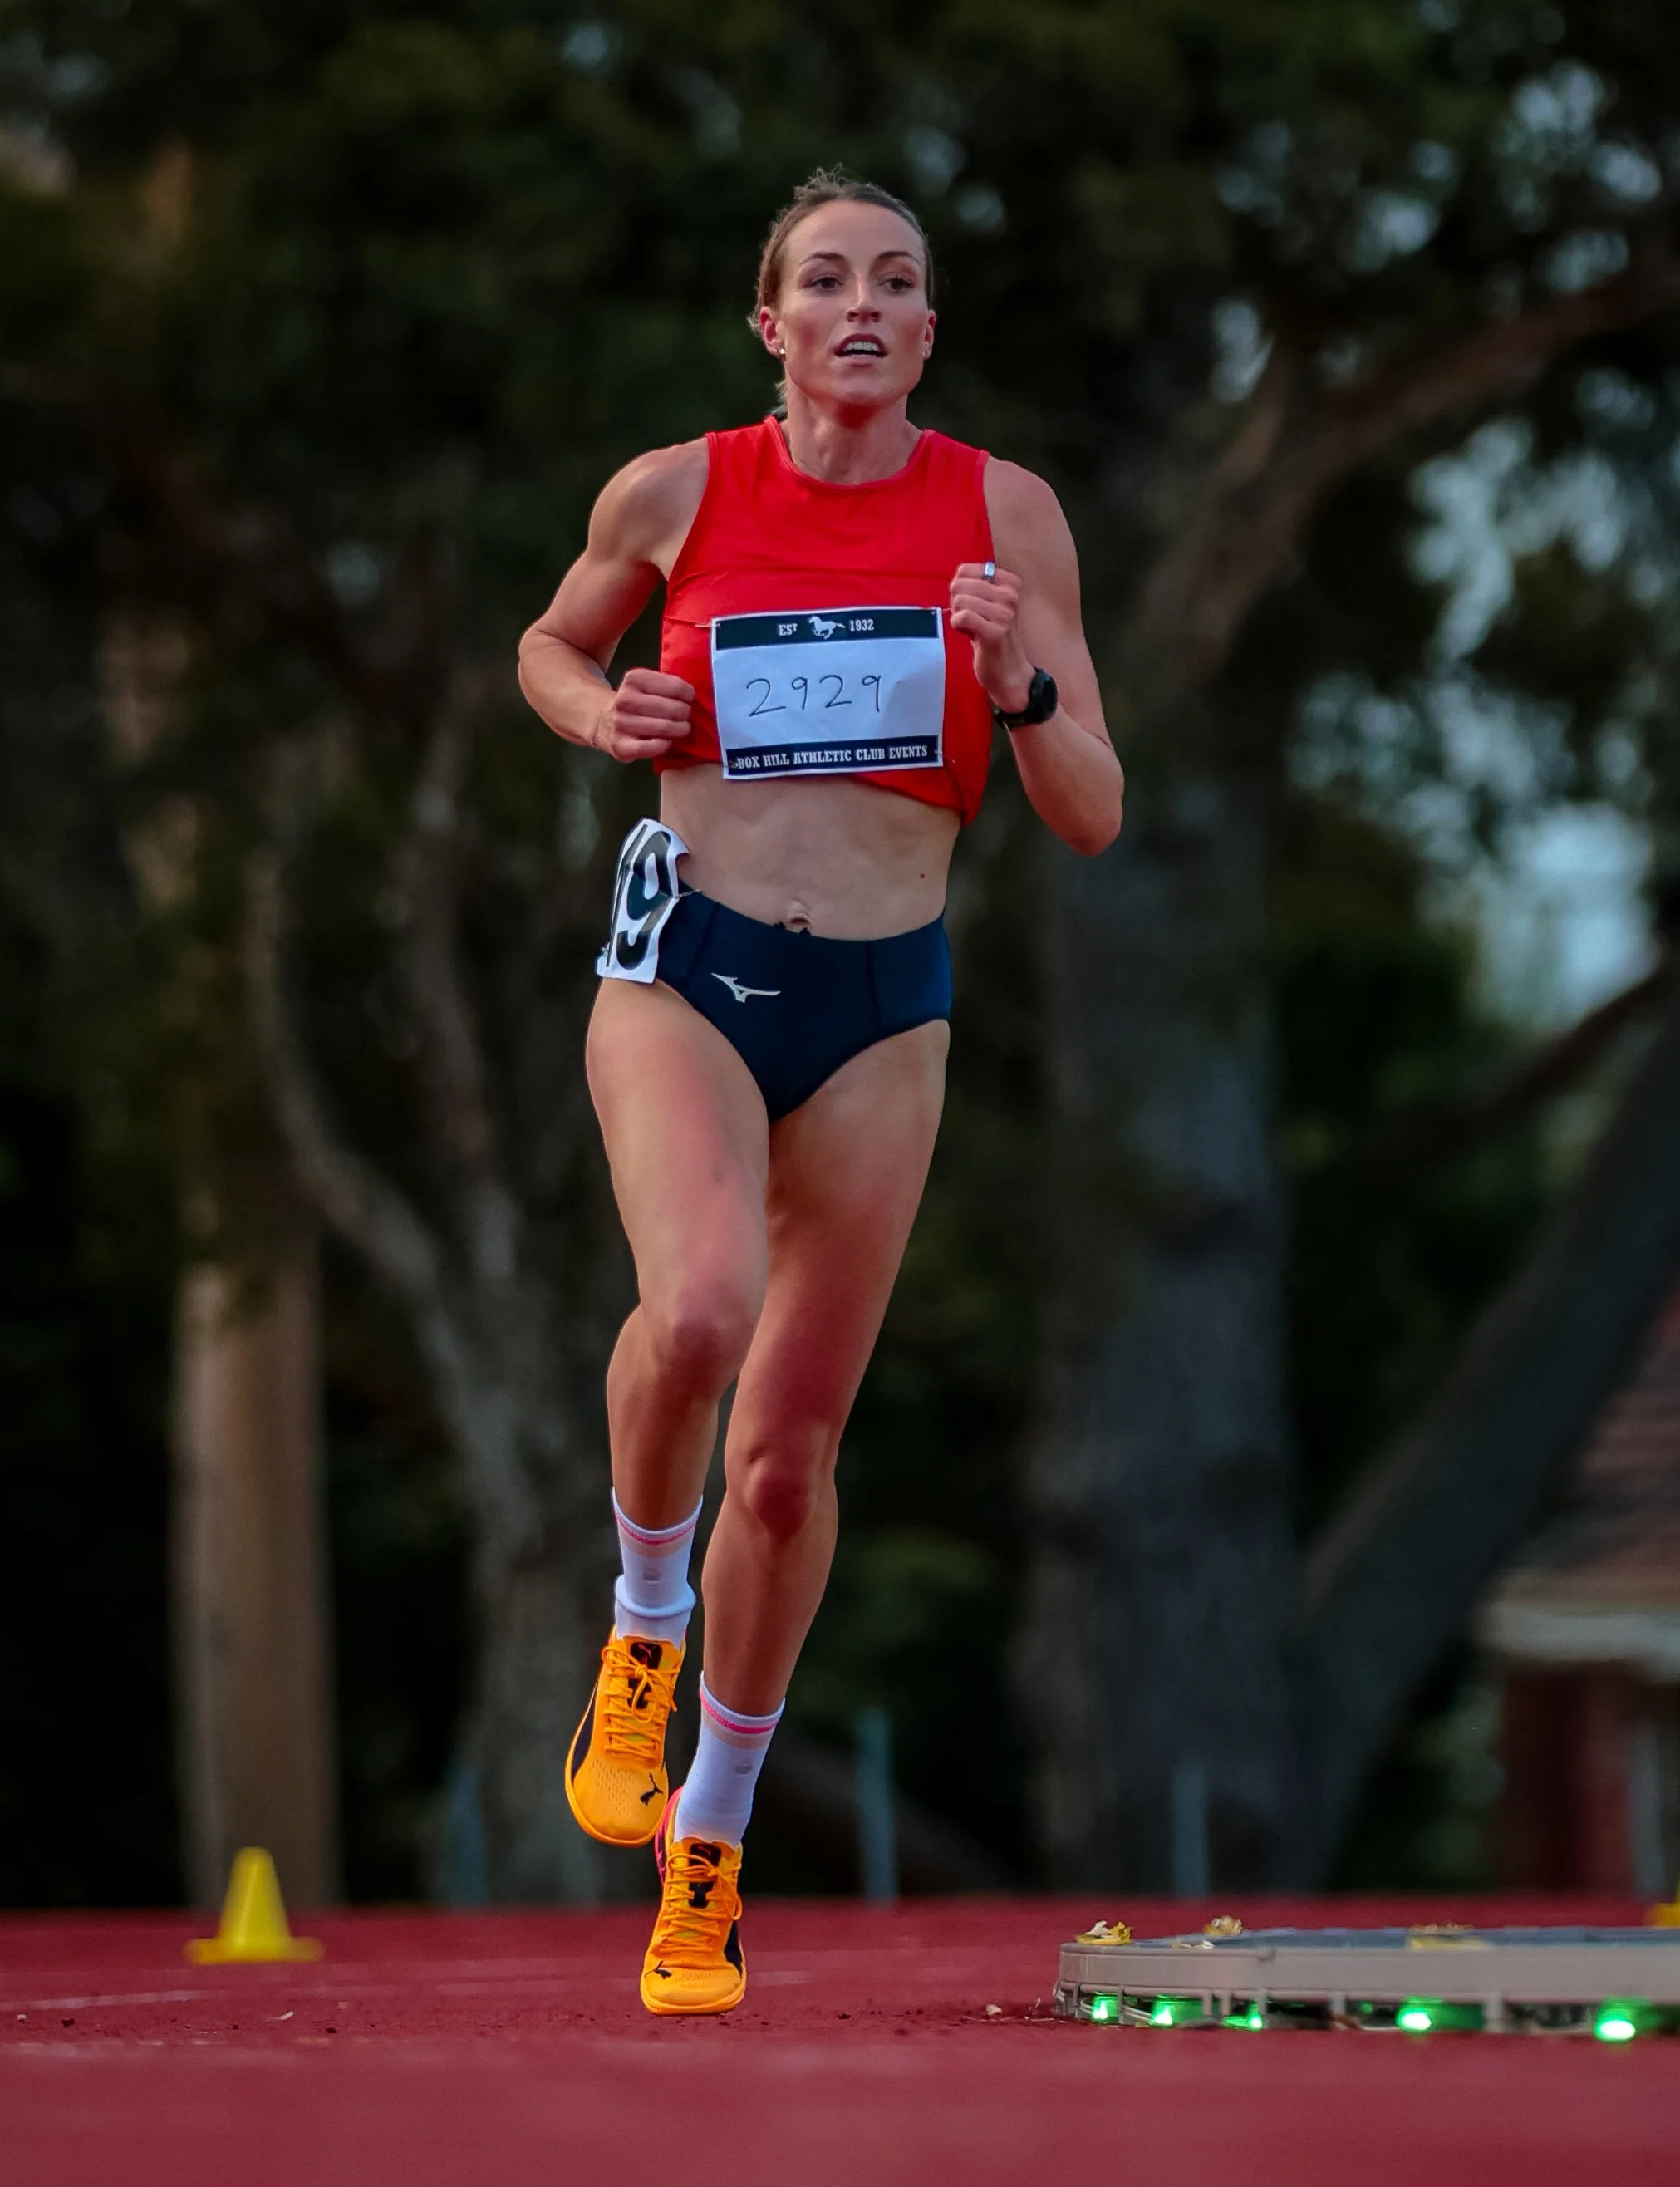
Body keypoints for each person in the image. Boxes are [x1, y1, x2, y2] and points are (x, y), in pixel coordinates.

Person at [517, 168, 1121, 2016]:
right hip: (688, 969)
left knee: (783, 1465)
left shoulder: (1005, 513)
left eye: (897, 281)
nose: (863, 304)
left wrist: (1017, 684)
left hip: (881, 1008)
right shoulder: (674, 490)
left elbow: (1093, 809)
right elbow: (551, 644)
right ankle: (642, 1627)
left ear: (928, 332)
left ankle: (707, 1840)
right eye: (828, 279)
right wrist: (602, 710)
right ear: (768, 324)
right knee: (697, 1308)